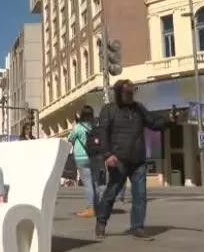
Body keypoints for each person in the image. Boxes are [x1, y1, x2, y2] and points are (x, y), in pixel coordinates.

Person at [94, 79, 175, 241]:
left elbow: (153, 122)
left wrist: (169, 121)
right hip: (118, 160)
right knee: (112, 192)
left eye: (132, 93)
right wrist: (108, 154)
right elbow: (102, 134)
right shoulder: (108, 110)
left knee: (140, 195)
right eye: (127, 93)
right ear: (119, 93)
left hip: (138, 159)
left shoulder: (138, 109)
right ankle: (101, 221)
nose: (131, 96)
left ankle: (138, 227)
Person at [68, 105, 98, 217]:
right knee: (94, 183)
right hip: (94, 157)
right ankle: (96, 206)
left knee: (88, 183)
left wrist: (73, 127)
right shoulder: (94, 126)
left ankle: (91, 208)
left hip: (81, 157)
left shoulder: (79, 127)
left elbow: (70, 138)